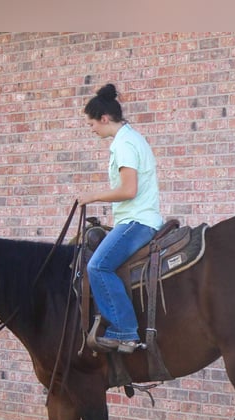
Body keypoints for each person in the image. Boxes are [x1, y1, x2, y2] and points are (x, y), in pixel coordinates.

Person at [79, 83, 163, 353]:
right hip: (139, 218)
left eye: (92, 123)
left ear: (104, 119)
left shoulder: (124, 144)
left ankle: (125, 331)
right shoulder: (131, 139)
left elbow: (129, 190)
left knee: (97, 267)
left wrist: (93, 196)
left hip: (137, 221)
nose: (91, 129)